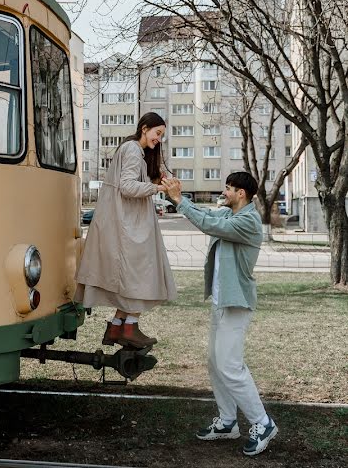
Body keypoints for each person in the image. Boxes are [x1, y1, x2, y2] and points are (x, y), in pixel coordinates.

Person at [163, 172, 278, 457]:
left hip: (236, 303)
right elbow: (210, 216)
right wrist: (180, 196)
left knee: (230, 365)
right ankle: (228, 421)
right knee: (216, 362)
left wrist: (179, 201)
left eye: (228, 188)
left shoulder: (248, 221)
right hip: (221, 300)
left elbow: (208, 224)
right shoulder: (230, 214)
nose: (224, 192)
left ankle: (263, 423)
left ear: (242, 194)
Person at [75, 112, 176, 349]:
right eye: (157, 133)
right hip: (126, 224)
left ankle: (118, 326)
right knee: (141, 275)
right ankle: (128, 327)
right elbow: (128, 186)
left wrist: (154, 180)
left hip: (125, 221)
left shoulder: (135, 152)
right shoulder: (132, 149)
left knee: (135, 277)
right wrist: (158, 188)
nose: (159, 139)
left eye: (162, 136)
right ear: (144, 128)